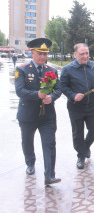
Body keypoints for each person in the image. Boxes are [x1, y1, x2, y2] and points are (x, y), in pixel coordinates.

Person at [15, 38, 62, 185]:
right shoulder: (22, 69)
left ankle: (49, 175)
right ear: (32, 52)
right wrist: (37, 95)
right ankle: (30, 162)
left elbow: (58, 89)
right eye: (39, 53)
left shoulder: (52, 71)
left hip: (47, 115)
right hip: (28, 115)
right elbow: (20, 91)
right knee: (27, 141)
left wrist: (51, 97)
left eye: (45, 54)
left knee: (49, 143)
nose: (42, 57)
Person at [60, 43, 94, 169]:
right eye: (82, 54)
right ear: (75, 54)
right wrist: (73, 95)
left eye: (87, 53)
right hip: (76, 107)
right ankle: (81, 156)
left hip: (93, 106)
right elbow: (63, 86)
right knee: (77, 133)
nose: (85, 56)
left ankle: (84, 148)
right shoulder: (68, 69)